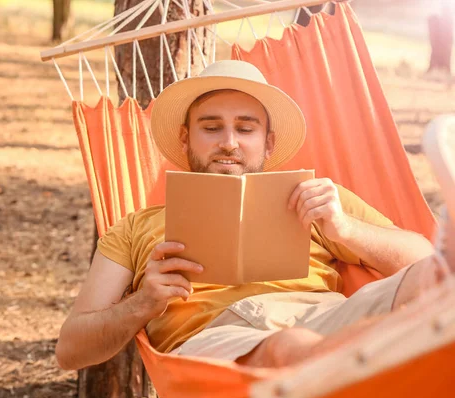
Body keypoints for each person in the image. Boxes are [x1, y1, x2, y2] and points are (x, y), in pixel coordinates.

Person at [55, 60, 448, 371]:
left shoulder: (315, 199)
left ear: (268, 142)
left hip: (330, 318)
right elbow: (70, 350)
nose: (229, 143)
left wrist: (346, 229)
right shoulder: (136, 227)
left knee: (440, 282)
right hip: (222, 342)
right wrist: (142, 303)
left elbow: (427, 262)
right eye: (212, 127)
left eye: (246, 129)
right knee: (292, 347)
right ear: (185, 137)